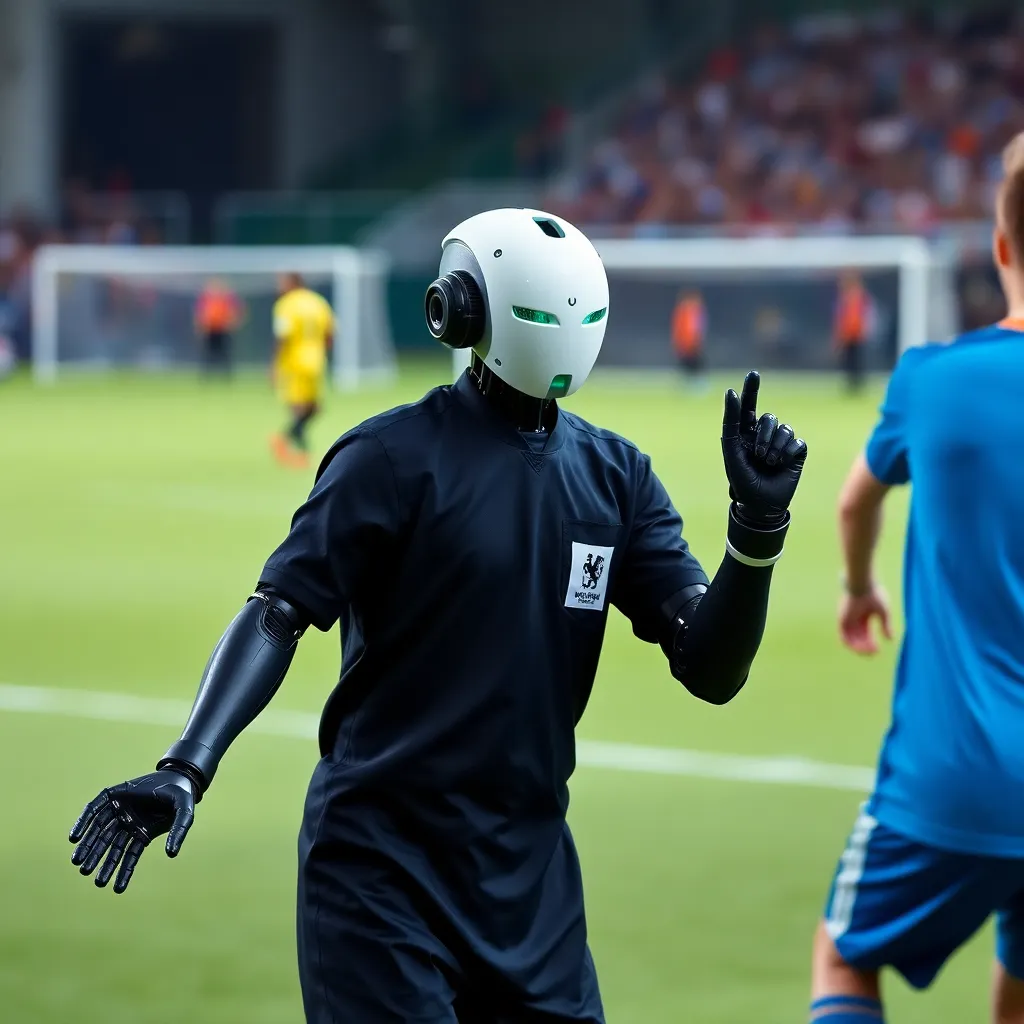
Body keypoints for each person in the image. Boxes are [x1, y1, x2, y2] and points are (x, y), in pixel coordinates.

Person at [68, 208, 807, 1023]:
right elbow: (281, 609)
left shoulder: (618, 479)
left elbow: (710, 668)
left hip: (531, 886)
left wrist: (756, 534)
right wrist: (187, 764)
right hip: (381, 882)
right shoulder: (388, 459)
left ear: (458, 308)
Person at [810, 135, 1024, 1024]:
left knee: (844, 954)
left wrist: (860, 585)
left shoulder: (933, 380)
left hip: (956, 774)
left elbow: (854, 502)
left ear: (1001, 247)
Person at [270, 273, 333, 468]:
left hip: (294, 361)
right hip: (316, 360)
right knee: (314, 407)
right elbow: (329, 334)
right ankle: (302, 452)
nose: (279, 287)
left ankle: (285, 439)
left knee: (298, 407)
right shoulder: (318, 302)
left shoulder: (286, 304)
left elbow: (283, 337)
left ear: (292, 283)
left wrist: (274, 365)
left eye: (282, 283)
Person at [193, 278, 243, 377]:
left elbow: (237, 311)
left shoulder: (228, 296)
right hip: (210, 329)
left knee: (225, 354)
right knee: (208, 353)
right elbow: (199, 313)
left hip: (223, 329)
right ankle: (207, 375)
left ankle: (226, 375)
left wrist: (232, 323)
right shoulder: (206, 297)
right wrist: (200, 326)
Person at [833, 271, 871, 393]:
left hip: (855, 335)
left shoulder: (857, 297)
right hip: (848, 335)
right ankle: (852, 384)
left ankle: (856, 385)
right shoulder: (848, 297)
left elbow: (858, 317)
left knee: (855, 361)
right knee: (849, 361)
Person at [671, 288, 707, 388]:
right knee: (687, 362)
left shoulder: (696, 310)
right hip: (686, 342)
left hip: (693, 342)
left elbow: (699, 327)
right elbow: (681, 328)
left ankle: (695, 382)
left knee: (695, 362)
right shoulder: (684, 310)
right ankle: (689, 383)